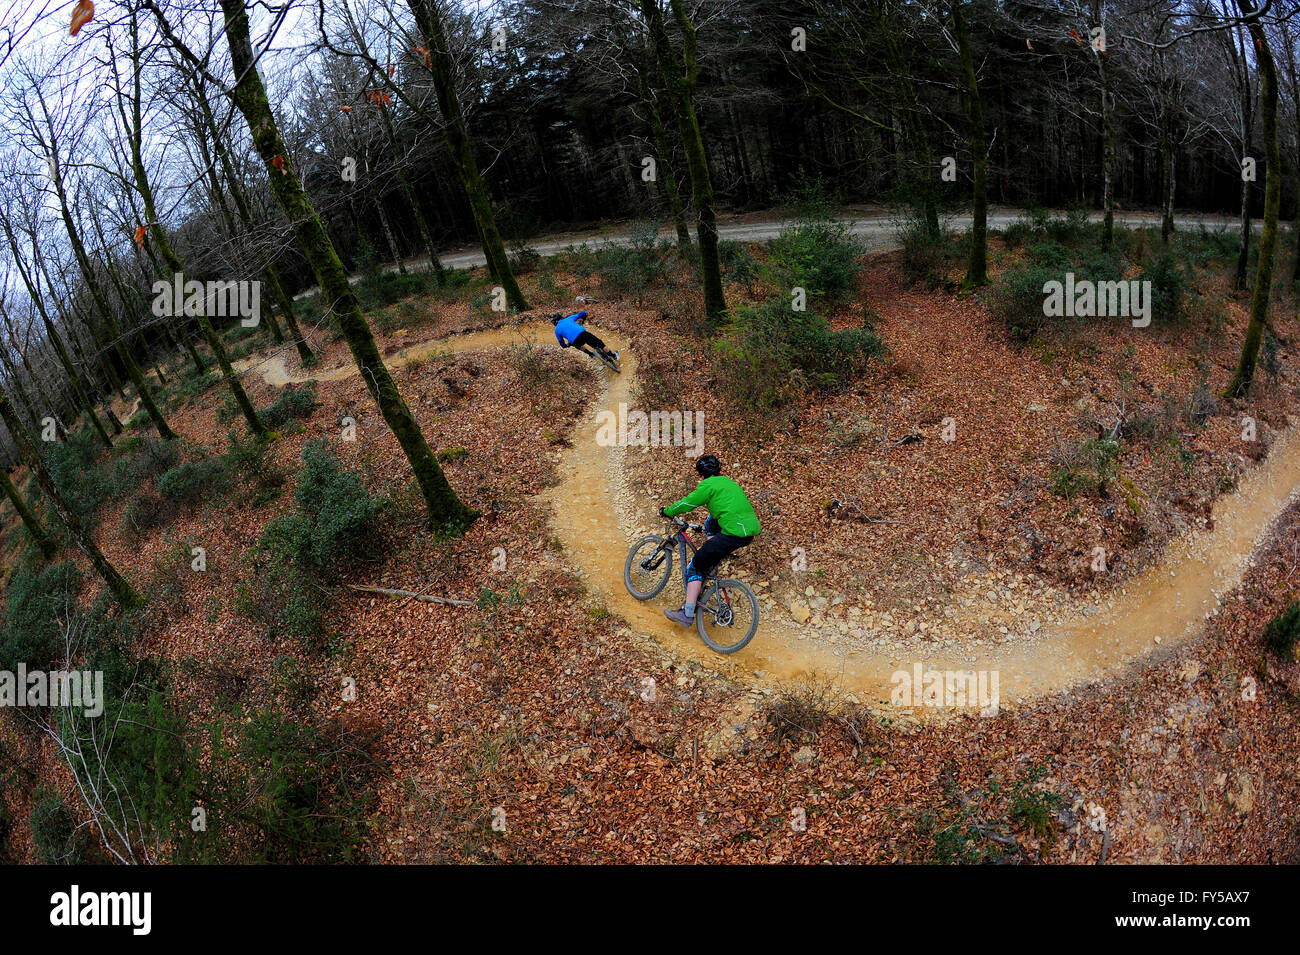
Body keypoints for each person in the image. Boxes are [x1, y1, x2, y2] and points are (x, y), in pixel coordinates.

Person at [659, 454, 761, 626]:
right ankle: (711, 563)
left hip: (732, 533)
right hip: (748, 532)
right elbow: (721, 513)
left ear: (701, 475)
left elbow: (688, 503)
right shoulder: (729, 483)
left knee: (695, 566)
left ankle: (687, 613)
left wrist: (668, 511)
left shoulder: (707, 485)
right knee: (710, 521)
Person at [550, 311, 619, 364]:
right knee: (600, 343)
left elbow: (562, 344)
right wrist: (583, 319)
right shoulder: (569, 318)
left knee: (578, 345)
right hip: (582, 334)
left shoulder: (556, 330)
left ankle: (591, 355)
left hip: (574, 340)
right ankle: (614, 356)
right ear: (561, 317)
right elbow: (583, 313)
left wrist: (566, 345)